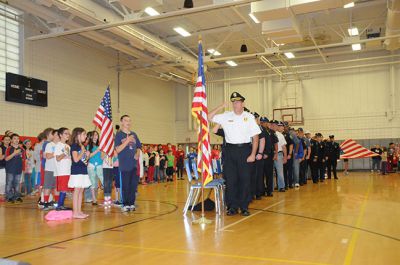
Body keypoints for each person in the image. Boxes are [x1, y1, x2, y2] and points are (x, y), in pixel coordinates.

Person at [209, 92, 260, 216]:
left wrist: (253, 154)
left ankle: (244, 206)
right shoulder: (226, 115)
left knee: (245, 179)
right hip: (230, 151)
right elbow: (208, 117)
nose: (235, 104)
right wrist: (221, 107)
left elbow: (255, 137)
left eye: (237, 102)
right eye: (233, 102)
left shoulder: (249, 117)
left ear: (243, 103)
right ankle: (232, 206)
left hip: (245, 150)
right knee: (230, 180)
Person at [115, 114, 142, 212]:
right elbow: (117, 150)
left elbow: (139, 146)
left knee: (133, 185)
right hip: (124, 165)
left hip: (133, 164)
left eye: (129, 120)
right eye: (126, 120)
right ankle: (125, 204)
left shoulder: (134, 134)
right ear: (121, 122)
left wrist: (138, 153)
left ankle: (131, 203)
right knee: (125, 185)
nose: (128, 122)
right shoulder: (119, 135)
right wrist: (127, 141)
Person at [68, 127, 91, 219]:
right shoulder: (74, 146)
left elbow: (84, 161)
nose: (86, 136)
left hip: (83, 170)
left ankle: (79, 210)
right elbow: (76, 159)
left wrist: (87, 156)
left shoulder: (82, 146)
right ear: (78, 135)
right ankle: (75, 212)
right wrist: (82, 152)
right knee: (76, 191)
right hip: (76, 171)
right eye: (84, 134)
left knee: (81, 191)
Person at [54, 127, 72, 210]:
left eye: (68, 133)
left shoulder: (67, 145)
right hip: (62, 171)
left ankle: (61, 205)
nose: (68, 135)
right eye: (66, 133)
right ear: (60, 135)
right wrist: (65, 153)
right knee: (63, 189)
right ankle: (59, 205)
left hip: (68, 170)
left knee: (65, 188)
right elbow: (58, 158)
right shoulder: (58, 145)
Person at [260, 117, 278, 197]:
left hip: (269, 155)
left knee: (269, 174)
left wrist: (276, 153)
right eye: (262, 122)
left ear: (267, 123)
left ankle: (269, 190)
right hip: (260, 155)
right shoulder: (258, 130)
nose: (263, 123)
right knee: (261, 174)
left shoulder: (271, 132)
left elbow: (275, 144)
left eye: (264, 122)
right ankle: (262, 190)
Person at [4, 134, 24, 203]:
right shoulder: (9, 148)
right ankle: (9, 197)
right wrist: (14, 153)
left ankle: (17, 196)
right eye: (15, 138)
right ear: (11, 140)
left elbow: (23, 159)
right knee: (9, 183)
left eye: (18, 139)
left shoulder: (22, 149)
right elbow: (6, 159)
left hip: (18, 170)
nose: (16, 140)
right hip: (10, 169)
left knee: (17, 184)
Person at [43, 129, 60, 210]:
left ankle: (57, 203)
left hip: (59, 170)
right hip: (50, 169)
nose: (58, 136)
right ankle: (45, 203)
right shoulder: (50, 145)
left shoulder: (62, 145)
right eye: (57, 134)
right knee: (48, 186)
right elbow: (48, 156)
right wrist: (56, 153)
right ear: (53, 136)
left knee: (57, 187)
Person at [86, 131, 104, 205]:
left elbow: (102, 157)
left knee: (103, 180)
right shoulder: (88, 146)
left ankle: (106, 197)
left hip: (100, 165)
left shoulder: (101, 145)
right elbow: (88, 156)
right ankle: (93, 199)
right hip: (91, 165)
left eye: (96, 135)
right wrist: (97, 150)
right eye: (93, 135)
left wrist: (103, 152)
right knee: (92, 182)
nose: (95, 136)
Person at [252, 112, 265, 200]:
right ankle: (252, 193)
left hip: (257, 155)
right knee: (251, 175)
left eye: (255, 118)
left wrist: (260, 153)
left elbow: (262, 140)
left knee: (258, 174)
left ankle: (258, 192)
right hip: (249, 154)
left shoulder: (259, 128)